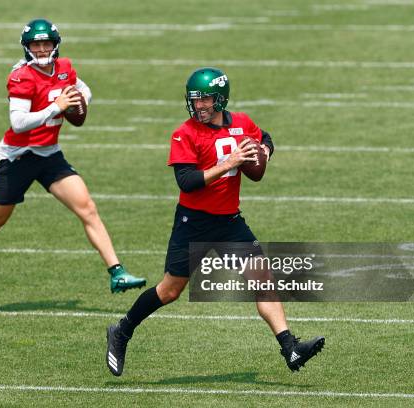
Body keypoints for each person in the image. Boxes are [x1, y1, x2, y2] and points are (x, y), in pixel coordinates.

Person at [105, 67, 324, 376]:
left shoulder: (242, 123)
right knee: (169, 291)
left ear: (220, 99)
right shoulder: (185, 132)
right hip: (192, 223)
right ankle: (122, 330)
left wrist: (263, 152)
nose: (199, 106)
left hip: (229, 223)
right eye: (195, 101)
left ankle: (290, 348)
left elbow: (266, 138)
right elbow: (187, 181)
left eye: (205, 100)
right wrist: (228, 164)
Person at [0, 18, 146, 301]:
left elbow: (85, 90)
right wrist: (54, 108)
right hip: (18, 157)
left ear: (55, 45)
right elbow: (18, 122)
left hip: (49, 155)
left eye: (46, 43)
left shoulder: (65, 67)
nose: (42, 49)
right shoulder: (21, 76)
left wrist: (79, 103)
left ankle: (117, 272)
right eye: (36, 44)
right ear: (27, 47)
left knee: (87, 208)